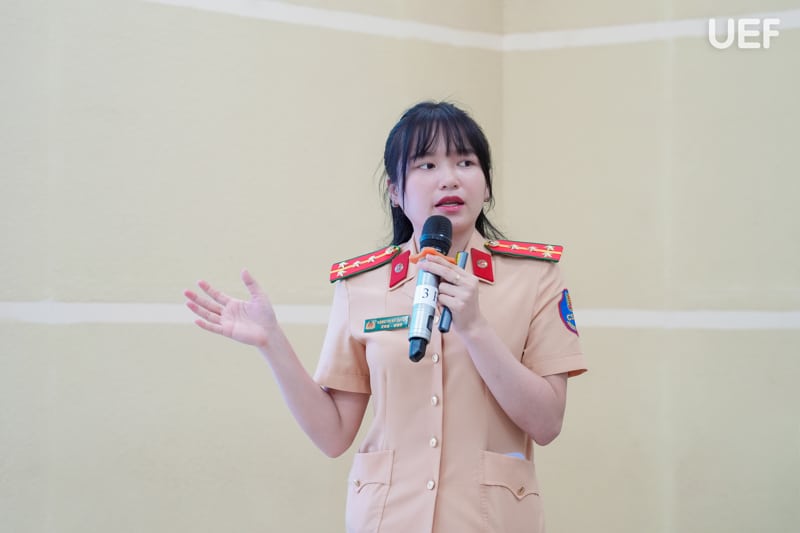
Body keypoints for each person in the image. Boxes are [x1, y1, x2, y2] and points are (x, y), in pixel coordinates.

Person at [184, 101, 587, 533]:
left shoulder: (534, 278)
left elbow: (547, 423)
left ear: (486, 186)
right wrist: (271, 342)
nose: (449, 178)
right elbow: (333, 434)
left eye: (465, 162)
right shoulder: (361, 285)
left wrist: (475, 327)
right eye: (426, 164)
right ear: (395, 191)